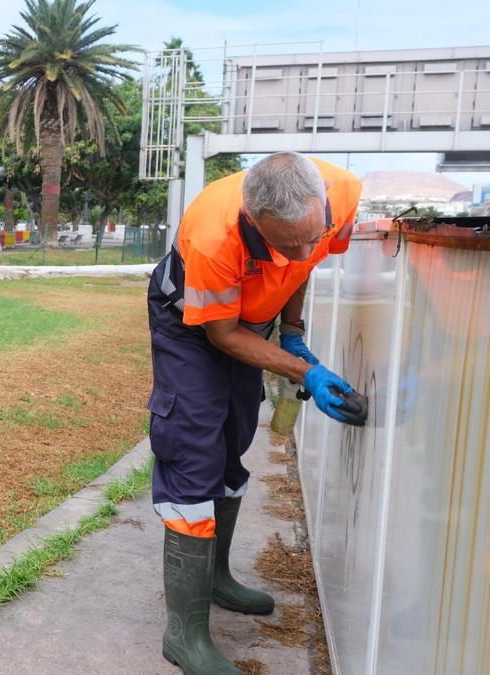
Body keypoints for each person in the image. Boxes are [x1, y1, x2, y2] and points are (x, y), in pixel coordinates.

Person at [146, 152, 364, 674]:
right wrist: (300, 370)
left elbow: (301, 267)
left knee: (236, 436)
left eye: (315, 234)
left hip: (255, 320)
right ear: (252, 220)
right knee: (193, 448)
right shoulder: (212, 234)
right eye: (286, 243)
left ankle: (216, 578)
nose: (306, 249)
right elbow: (220, 334)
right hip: (192, 327)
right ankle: (185, 636)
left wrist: (293, 332)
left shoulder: (343, 194)